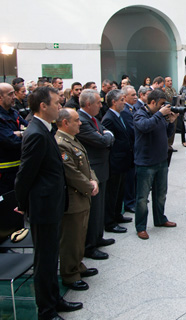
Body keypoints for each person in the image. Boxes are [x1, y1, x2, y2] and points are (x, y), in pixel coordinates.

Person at [15, 86, 83, 319]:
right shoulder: (35, 133)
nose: (60, 106)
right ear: (43, 106)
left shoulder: (45, 129)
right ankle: (46, 310)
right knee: (44, 261)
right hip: (43, 208)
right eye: (56, 103)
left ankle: (55, 299)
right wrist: (22, 203)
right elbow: (25, 174)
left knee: (51, 256)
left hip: (52, 204)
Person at [55, 108, 99, 291]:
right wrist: (90, 186)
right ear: (66, 123)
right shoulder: (61, 143)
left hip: (83, 195)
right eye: (76, 120)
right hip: (73, 197)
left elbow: (86, 165)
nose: (80, 123)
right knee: (71, 238)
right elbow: (71, 173)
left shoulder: (72, 139)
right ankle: (70, 274)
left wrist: (94, 180)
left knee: (80, 234)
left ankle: (78, 265)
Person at [76, 89, 115, 260]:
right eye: (98, 102)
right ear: (88, 104)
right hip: (93, 169)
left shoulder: (93, 118)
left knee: (100, 207)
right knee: (94, 208)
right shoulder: (82, 120)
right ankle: (90, 246)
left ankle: (98, 237)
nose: (101, 105)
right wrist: (105, 136)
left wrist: (105, 135)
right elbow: (101, 140)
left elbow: (106, 132)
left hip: (102, 167)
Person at [134, 89, 178, 240]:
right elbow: (145, 127)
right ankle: (140, 227)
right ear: (152, 102)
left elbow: (166, 134)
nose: (163, 107)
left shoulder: (159, 116)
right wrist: (160, 114)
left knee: (161, 194)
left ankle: (160, 219)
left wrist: (171, 122)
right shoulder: (140, 113)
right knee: (142, 198)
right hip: (145, 163)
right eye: (160, 104)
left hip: (161, 161)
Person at [0, 83, 28, 195]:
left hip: (19, 168)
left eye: (14, 93)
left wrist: (20, 133)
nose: (14, 96)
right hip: (4, 173)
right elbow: (10, 141)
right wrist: (23, 134)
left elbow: (30, 129)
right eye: (10, 94)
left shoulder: (13, 112)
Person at [102, 89, 134, 233]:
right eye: (122, 100)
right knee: (112, 193)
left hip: (123, 160)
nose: (124, 102)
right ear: (114, 102)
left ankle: (117, 215)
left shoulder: (119, 115)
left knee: (120, 191)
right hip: (115, 162)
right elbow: (109, 144)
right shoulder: (109, 118)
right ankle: (110, 222)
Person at [121, 86, 138, 213]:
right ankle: (129, 202)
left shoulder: (132, 108)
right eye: (132, 95)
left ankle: (133, 199)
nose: (135, 97)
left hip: (134, 148)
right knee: (129, 178)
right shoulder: (125, 111)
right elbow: (132, 129)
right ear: (125, 97)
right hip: (129, 148)